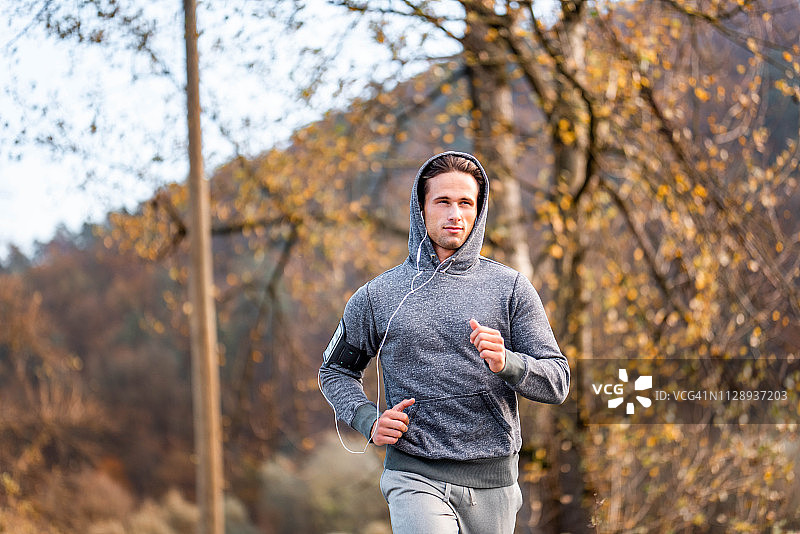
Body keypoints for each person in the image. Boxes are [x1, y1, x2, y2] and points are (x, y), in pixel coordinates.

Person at [319, 151, 569, 534]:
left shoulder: (511, 289)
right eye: (443, 202)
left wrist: (509, 363)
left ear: (479, 210)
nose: (456, 214)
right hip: (414, 472)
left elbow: (558, 381)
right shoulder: (377, 295)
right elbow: (334, 371)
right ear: (421, 208)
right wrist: (368, 419)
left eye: (466, 203)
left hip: (493, 479)